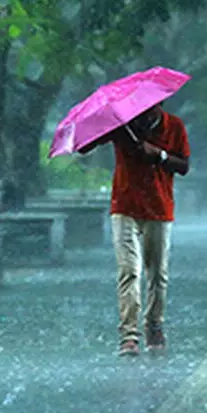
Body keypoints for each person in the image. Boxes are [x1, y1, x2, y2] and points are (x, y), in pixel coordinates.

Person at [80, 104, 190, 356]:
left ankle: (154, 325)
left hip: (160, 208)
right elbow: (85, 147)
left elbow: (184, 166)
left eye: (150, 109)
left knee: (157, 274)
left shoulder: (174, 126)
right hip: (125, 206)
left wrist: (159, 155)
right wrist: (101, 127)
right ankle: (129, 335)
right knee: (129, 271)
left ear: (160, 105)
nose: (144, 113)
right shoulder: (123, 125)